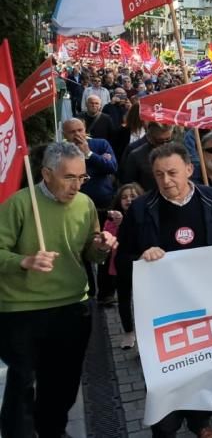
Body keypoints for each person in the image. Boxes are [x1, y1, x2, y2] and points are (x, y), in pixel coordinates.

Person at [118, 143, 212, 438]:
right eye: (159, 175)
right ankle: (165, 429)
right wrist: (141, 259)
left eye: (172, 173)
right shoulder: (142, 208)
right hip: (161, 310)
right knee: (166, 372)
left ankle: (200, 421)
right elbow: (123, 256)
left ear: (189, 170)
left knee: (206, 367)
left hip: (206, 304)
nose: (166, 181)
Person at [0, 142, 117, 438]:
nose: (77, 185)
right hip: (22, 309)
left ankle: (53, 430)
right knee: (22, 383)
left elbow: (90, 254)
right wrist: (24, 261)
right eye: (69, 178)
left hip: (73, 307)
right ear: (46, 174)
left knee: (63, 382)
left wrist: (100, 247)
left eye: (82, 178)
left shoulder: (85, 204)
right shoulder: (19, 203)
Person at [62, 118, 118, 304]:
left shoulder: (100, 144)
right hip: (74, 210)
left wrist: (89, 153)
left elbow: (112, 167)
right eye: (72, 132)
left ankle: (106, 293)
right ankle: (89, 290)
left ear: (85, 129)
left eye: (80, 130)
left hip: (103, 207)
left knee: (106, 247)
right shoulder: (62, 152)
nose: (77, 135)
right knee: (80, 249)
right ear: (64, 135)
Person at [106, 183, 143, 349]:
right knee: (124, 299)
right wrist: (118, 225)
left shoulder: (145, 215)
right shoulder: (113, 219)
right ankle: (128, 332)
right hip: (121, 266)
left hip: (141, 265)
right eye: (125, 197)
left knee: (142, 301)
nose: (129, 200)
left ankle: (144, 335)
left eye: (133, 196)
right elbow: (109, 241)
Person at [119, 123, 176, 192]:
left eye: (168, 140)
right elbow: (127, 185)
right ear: (150, 138)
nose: (164, 144)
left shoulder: (178, 153)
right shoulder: (135, 156)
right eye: (160, 141)